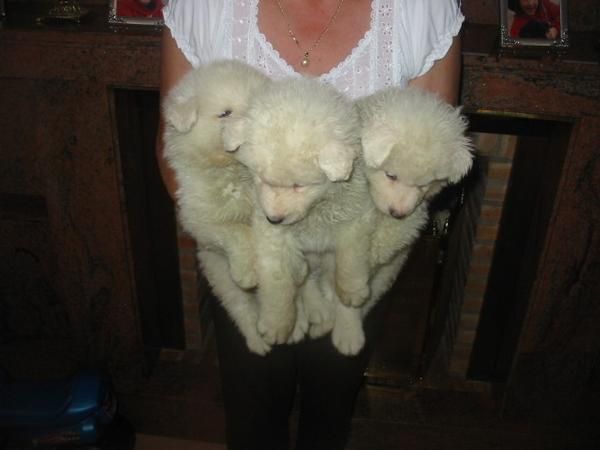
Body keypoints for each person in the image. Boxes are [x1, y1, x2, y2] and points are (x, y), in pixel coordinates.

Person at [156, 1, 463, 449]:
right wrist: (261, 252)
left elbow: (426, 161)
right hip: (248, 265)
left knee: (330, 414)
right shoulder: (204, 7)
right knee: (252, 419)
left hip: (355, 267)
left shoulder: (422, 10)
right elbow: (175, 156)